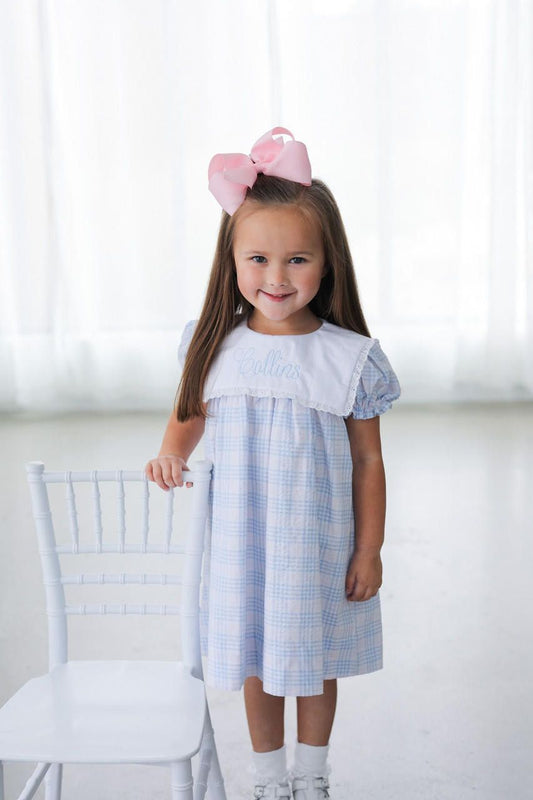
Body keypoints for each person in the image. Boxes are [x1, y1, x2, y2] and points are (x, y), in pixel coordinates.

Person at [145, 128, 401, 800]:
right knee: (257, 659)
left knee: (311, 663)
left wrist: (368, 549)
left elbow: (368, 460)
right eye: (257, 258)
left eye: (296, 260)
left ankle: (310, 774)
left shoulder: (345, 356)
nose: (276, 278)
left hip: (317, 544)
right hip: (243, 542)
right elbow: (189, 412)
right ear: (231, 261)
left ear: (327, 263)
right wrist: (172, 453)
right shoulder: (216, 346)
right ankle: (267, 778)